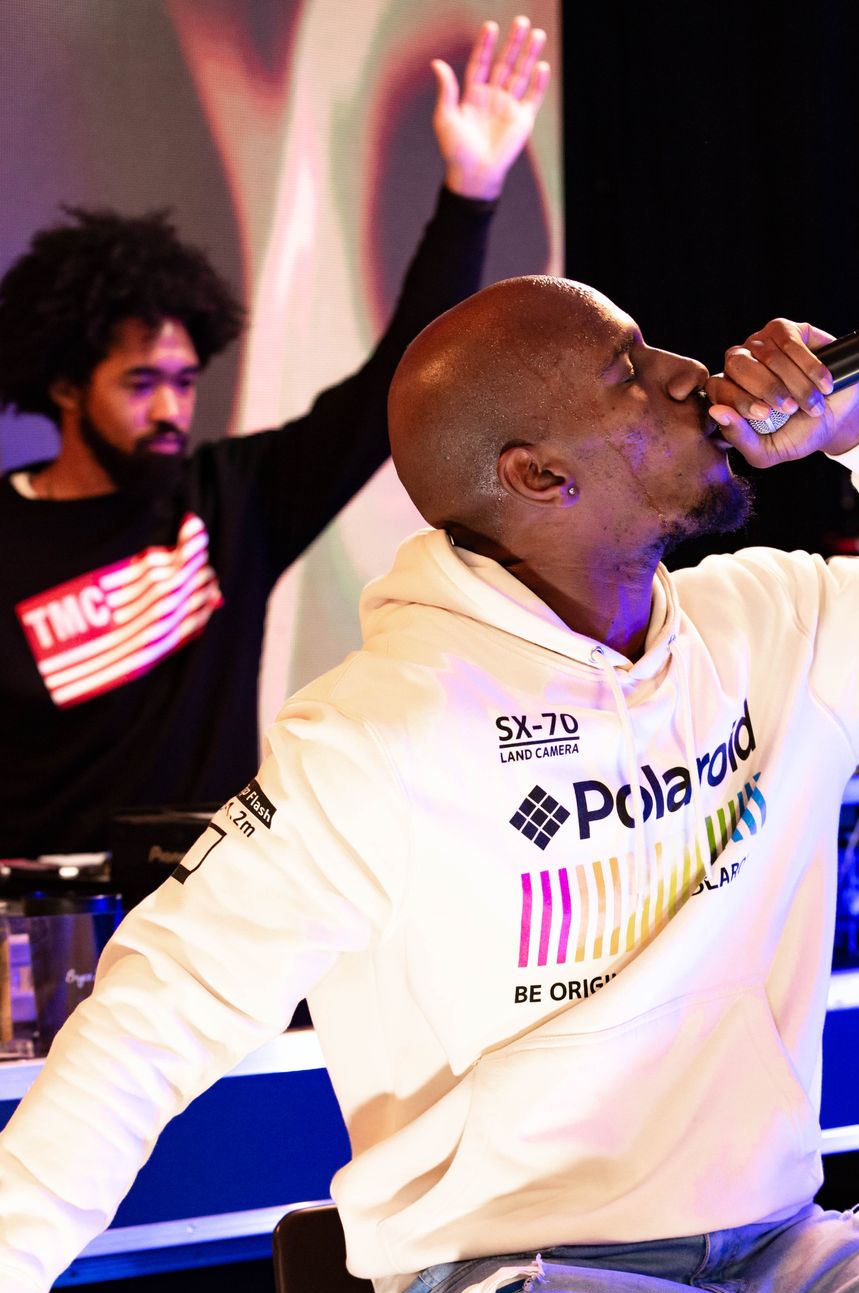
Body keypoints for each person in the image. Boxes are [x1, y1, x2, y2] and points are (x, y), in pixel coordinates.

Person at [2, 273, 859, 1293]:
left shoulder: (768, 629)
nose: (692, 372)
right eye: (631, 369)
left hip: (790, 1261)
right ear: (537, 475)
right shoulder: (379, 734)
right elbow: (143, 1027)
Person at [0, 15, 549, 858]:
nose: (171, 408)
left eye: (184, 381)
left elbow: (393, 384)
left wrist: (469, 193)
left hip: (209, 901)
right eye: (140, 384)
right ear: (67, 386)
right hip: (38, 915)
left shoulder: (231, 501)